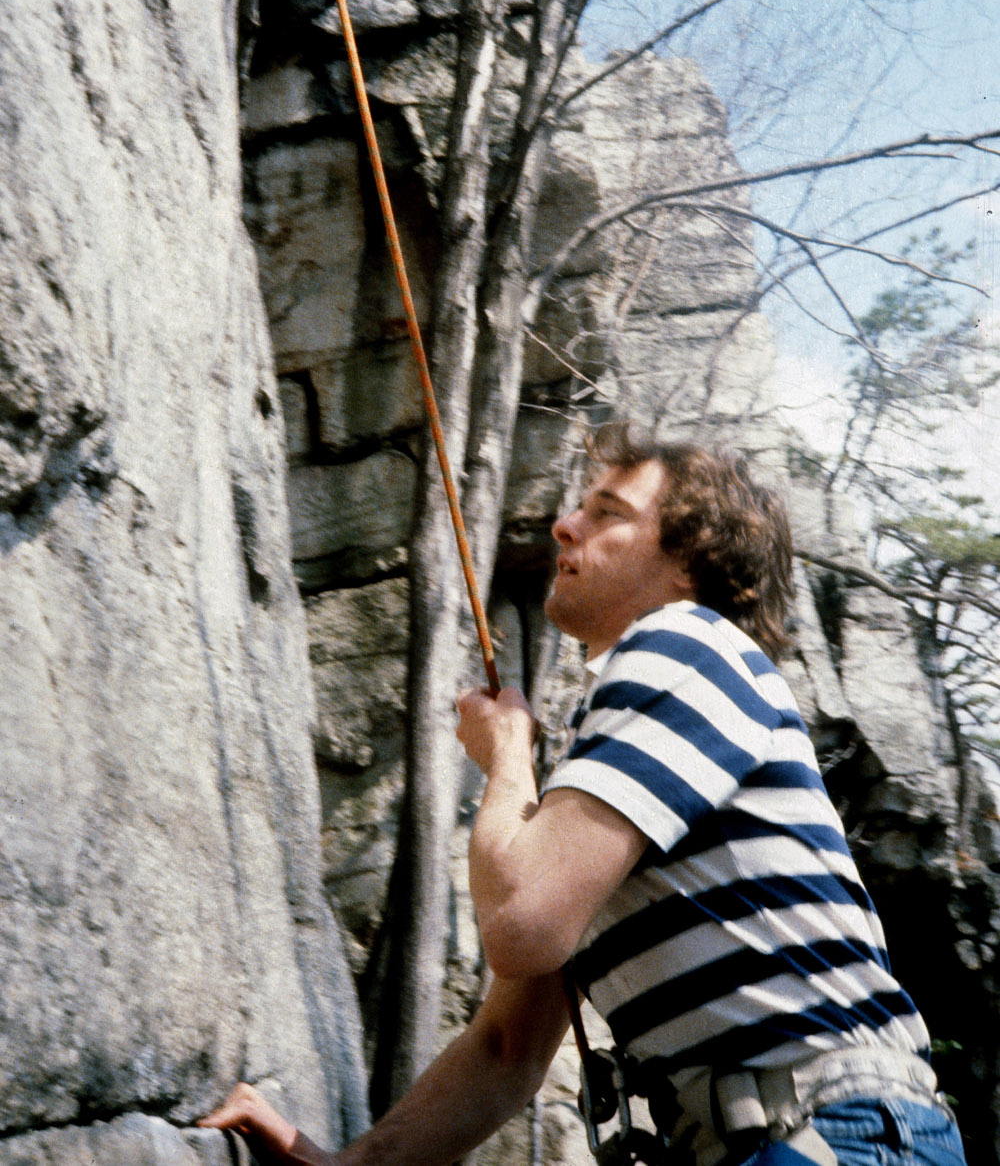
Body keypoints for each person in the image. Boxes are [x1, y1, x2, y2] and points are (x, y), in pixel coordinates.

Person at [199, 422, 966, 1166]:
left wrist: (508, 754)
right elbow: (505, 1050)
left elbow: (521, 920)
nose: (565, 525)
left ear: (689, 564)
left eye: (608, 513)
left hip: (833, 1135)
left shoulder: (683, 642)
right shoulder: (640, 751)